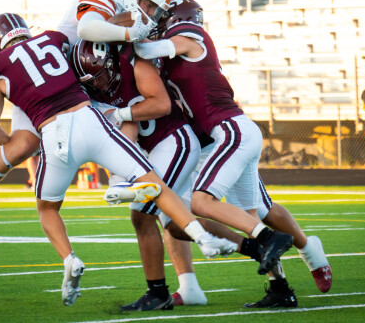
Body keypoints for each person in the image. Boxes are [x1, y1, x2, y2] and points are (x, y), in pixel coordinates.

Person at [0, 12, 247, 307]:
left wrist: (15, 143)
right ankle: (201, 237)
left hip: (55, 132)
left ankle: (68, 258)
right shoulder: (53, 39)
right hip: (90, 120)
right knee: (154, 185)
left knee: (47, 208)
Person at [138, 0, 333, 306]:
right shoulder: (175, 57)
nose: (158, 23)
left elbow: (147, 49)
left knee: (204, 203)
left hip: (229, 132)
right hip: (224, 135)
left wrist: (121, 36)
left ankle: (286, 243)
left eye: (163, 18)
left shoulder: (190, 35)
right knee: (248, 214)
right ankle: (280, 289)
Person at [71, 39, 281, 310]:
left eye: (100, 77)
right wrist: (117, 175)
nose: (98, 85)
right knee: (174, 226)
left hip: (174, 141)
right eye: (92, 81)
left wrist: (119, 117)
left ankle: (157, 293)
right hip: (159, 149)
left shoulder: (136, 65)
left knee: (141, 215)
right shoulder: (97, 92)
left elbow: (161, 105)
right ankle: (256, 248)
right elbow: (126, 136)